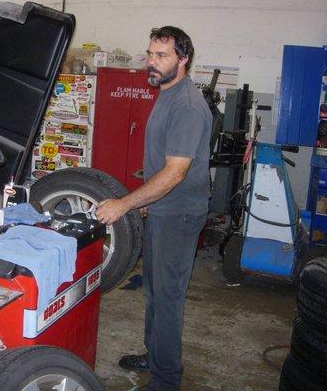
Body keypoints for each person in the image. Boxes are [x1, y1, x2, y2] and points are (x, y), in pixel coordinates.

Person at [95, 26, 212, 391]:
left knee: (168, 297)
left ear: (183, 59)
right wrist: (148, 202)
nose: (152, 62)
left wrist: (125, 204)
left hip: (179, 214)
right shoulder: (166, 92)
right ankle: (156, 355)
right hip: (164, 209)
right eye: (150, 54)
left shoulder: (187, 106)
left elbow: (175, 172)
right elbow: (164, 164)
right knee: (154, 291)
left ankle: (165, 379)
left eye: (162, 56)